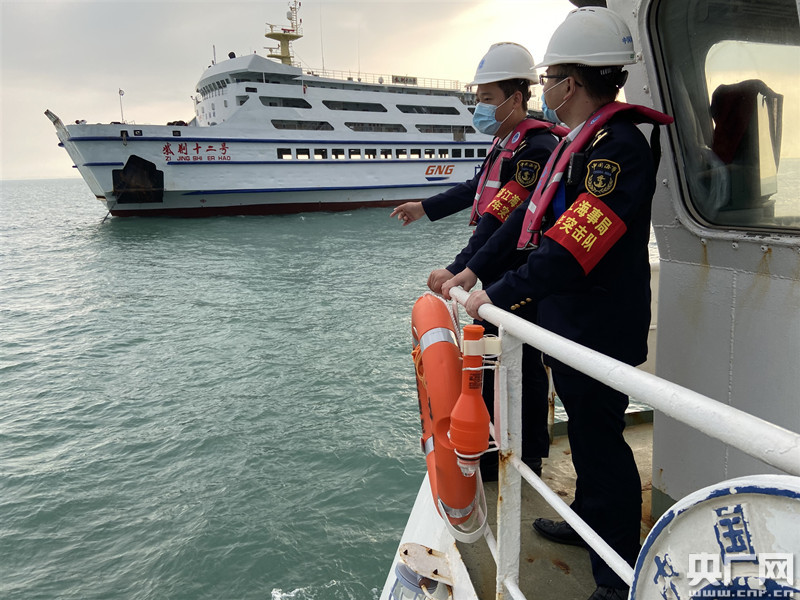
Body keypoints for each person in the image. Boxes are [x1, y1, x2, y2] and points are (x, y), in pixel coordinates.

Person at [441, 7, 673, 600]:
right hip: (568, 324)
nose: (543, 87)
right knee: (590, 441)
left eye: (548, 78)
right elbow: (526, 216)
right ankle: (588, 521)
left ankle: (615, 577)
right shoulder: (581, 142)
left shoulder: (617, 149)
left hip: (596, 327)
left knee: (602, 445)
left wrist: (494, 295)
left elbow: (570, 249)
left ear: (570, 83)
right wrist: (474, 272)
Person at [394, 42, 565, 479]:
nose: (480, 108)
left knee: (520, 366)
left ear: (516, 98)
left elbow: (503, 216)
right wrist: (425, 207)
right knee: (495, 361)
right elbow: (477, 190)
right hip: (496, 267)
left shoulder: (535, 148)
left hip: (517, 272)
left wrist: (461, 268)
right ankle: (497, 445)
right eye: (479, 98)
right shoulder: (506, 143)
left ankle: (525, 456)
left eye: (487, 98)